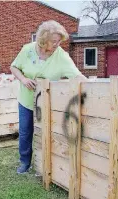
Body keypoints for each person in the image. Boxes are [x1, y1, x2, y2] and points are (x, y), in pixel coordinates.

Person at [10, 20, 86, 174]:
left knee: (47, 132)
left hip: (48, 103)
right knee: (25, 132)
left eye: (59, 41)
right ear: (43, 39)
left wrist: (95, 86)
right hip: (26, 100)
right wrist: (23, 79)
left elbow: (77, 75)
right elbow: (14, 67)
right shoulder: (27, 50)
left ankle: (46, 163)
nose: (57, 44)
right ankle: (25, 162)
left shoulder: (61, 56)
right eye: (54, 41)